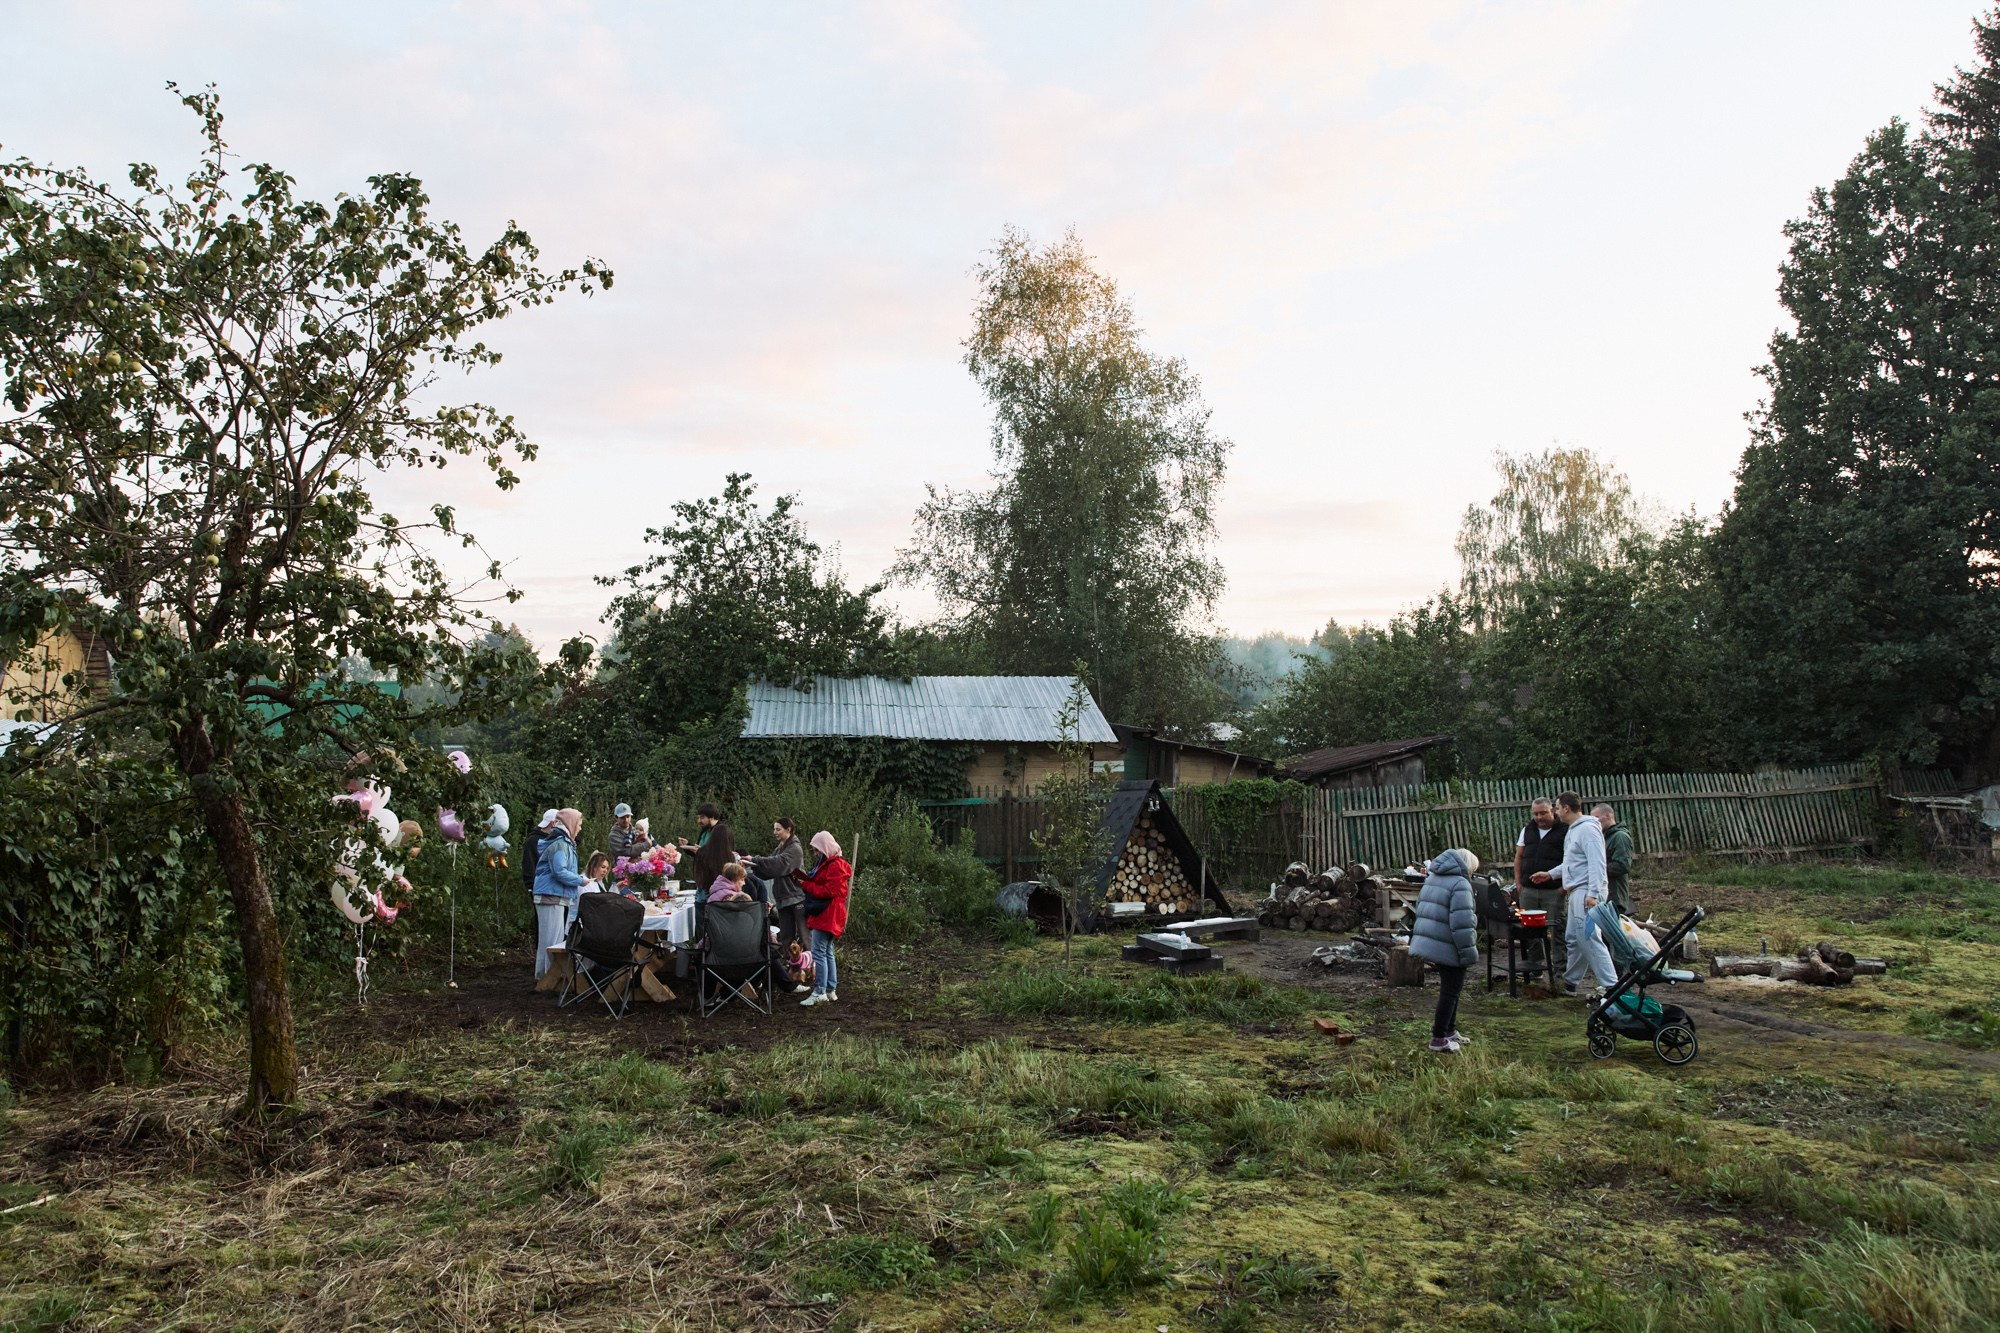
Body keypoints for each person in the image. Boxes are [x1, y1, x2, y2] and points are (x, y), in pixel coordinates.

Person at [1544, 791, 1618, 996]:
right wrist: (1550, 874)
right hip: (1577, 890)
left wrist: (1593, 893)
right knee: (1574, 938)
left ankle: (1612, 985)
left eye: (1558, 808)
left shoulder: (1587, 829)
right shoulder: (1574, 830)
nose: (1556, 812)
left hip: (1587, 890)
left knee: (1588, 937)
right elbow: (1572, 863)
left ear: (1566, 808)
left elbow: (1597, 862)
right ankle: (1570, 982)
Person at [1410, 848, 1480, 1053]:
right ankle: (1438, 1038)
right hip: (1448, 945)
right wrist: (1468, 952)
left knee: (1452, 989)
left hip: (1433, 941)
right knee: (1450, 992)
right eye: (1473, 870)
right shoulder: (1460, 884)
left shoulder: (1433, 878)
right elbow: (1462, 924)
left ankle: (1450, 1030)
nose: (1472, 874)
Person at [1515, 797, 1568, 978]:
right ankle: (1535, 967)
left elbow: (1571, 861)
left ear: (1552, 810)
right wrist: (1519, 883)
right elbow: (1519, 857)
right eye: (1536, 814)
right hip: (1528, 890)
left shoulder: (1565, 830)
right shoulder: (1527, 830)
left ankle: (1560, 970)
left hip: (1554, 890)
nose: (1539, 817)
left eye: (1543, 813)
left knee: (1557, 929)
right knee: (1530, 930)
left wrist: (1564, 888)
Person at [532, 808, 586, 981]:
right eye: (578, 824)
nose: (579, 828)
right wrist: (580, 880)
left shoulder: (564, 842)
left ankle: (545, 977)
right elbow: (559, 872)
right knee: (550, 941)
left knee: (552, 939)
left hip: (555, 896)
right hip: (550, 896)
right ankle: (546, 978)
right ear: (571, 823)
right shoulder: (560, 844)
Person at [797, 831, 850, 1007]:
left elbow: (828, 891)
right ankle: (829, 989)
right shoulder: (834, 864)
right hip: (831, 913)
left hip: (827, 913)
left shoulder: (834, 866)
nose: (816, 853)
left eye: (817, 849)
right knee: (827, 951)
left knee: (819, 952)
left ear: (825, 847)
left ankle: (820, 991)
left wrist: (806, 885)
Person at [743, 817, 807, 945]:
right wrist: (752, 865)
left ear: (788, 829)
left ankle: (810, 958)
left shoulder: (795, 849)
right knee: (786, 937)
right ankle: (789, 958)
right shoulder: (780, 848)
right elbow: (768, 869)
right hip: (783, 899)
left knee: (804, 936)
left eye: (778, 829)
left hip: (797, 898)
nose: (775, 832)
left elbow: (778, 864)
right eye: (774, 829)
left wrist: (754, 860)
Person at [1596, 803, 1636, 916]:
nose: (1594, 822)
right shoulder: (1603, 838)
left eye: (1597, 817)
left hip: (1615, 898)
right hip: (1604, 896)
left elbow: (1622, 865)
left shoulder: (1620, 837)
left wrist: (1596, 869)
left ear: (1608, 816)